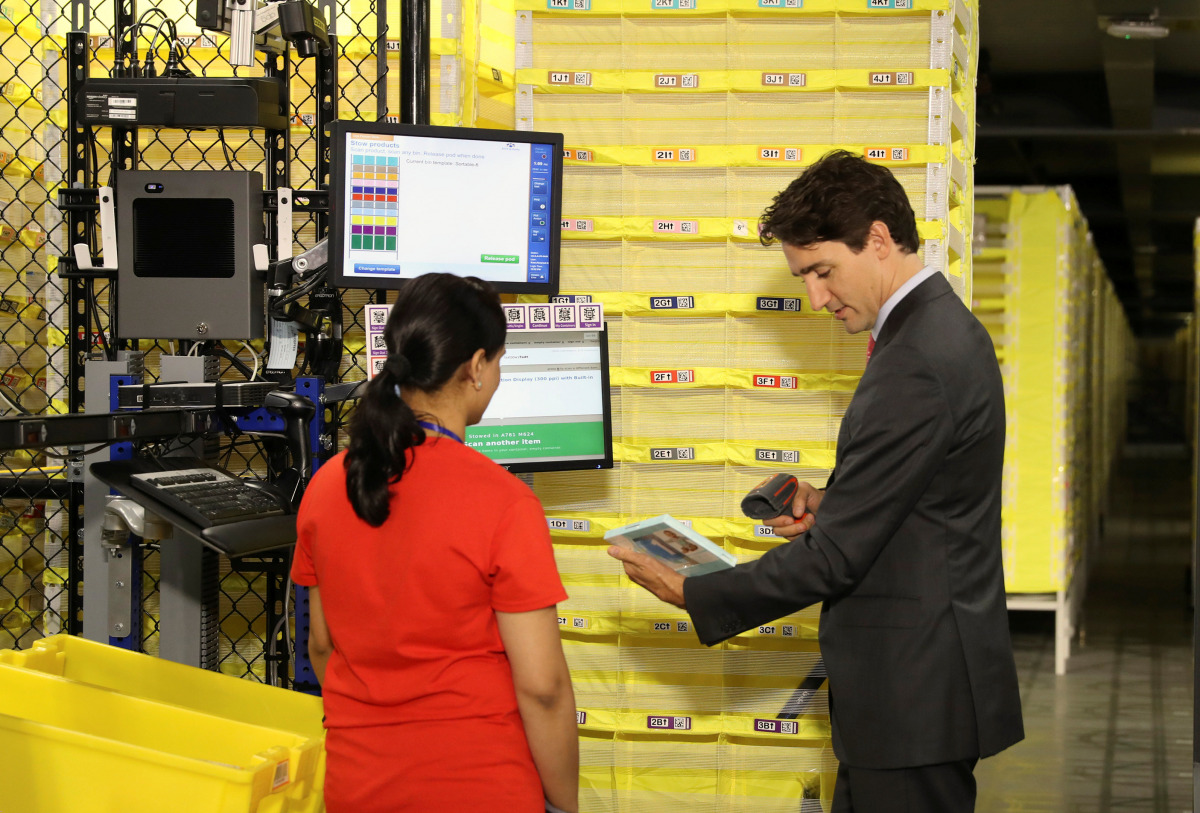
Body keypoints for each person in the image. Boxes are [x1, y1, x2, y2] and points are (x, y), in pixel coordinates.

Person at [608, 150, 1024, 812]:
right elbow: (925, 494)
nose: (816, 297)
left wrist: (697, 590)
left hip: (912, 697)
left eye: (823, 271)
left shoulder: (915, 358)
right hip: (919, 690)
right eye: (804, 277)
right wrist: (834, 502)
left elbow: (835, 558)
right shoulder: (940, 330)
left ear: (880, 239)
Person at [292, 273, 579, 813]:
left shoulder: (330, 484)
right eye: (498, 361)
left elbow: (323, 646)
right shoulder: (505, 502)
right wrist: (565, 806)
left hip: (358, 786)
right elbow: (542, 687)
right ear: (476, 366)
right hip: (481, 787)